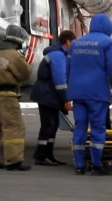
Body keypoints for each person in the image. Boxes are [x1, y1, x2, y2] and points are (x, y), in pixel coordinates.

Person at [67, 13, 112, 176]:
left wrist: (70, 88)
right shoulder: (107, 43)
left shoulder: (76, 43)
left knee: (80, 127)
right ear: (107, 27)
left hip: (78, 93)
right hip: (97, 93)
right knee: (98, 128)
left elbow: (68, 68)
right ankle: (97, 165)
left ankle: (79, 165)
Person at [0, 24, 33, 171]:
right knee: (15, 127)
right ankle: (14, 161)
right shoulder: (15, 55)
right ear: (18, 41)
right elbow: (26, 73)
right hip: (8, 96)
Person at [30, 30, 77, 166]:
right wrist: (66, 100)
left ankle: (48, 155)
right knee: (48, 125)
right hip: (47, 95)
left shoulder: (59, 54)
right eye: (73, 42)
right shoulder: (58, 55)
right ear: (68, 41)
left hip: (49, 95)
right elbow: (60, 81)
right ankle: (41, 156)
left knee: (53, 125)